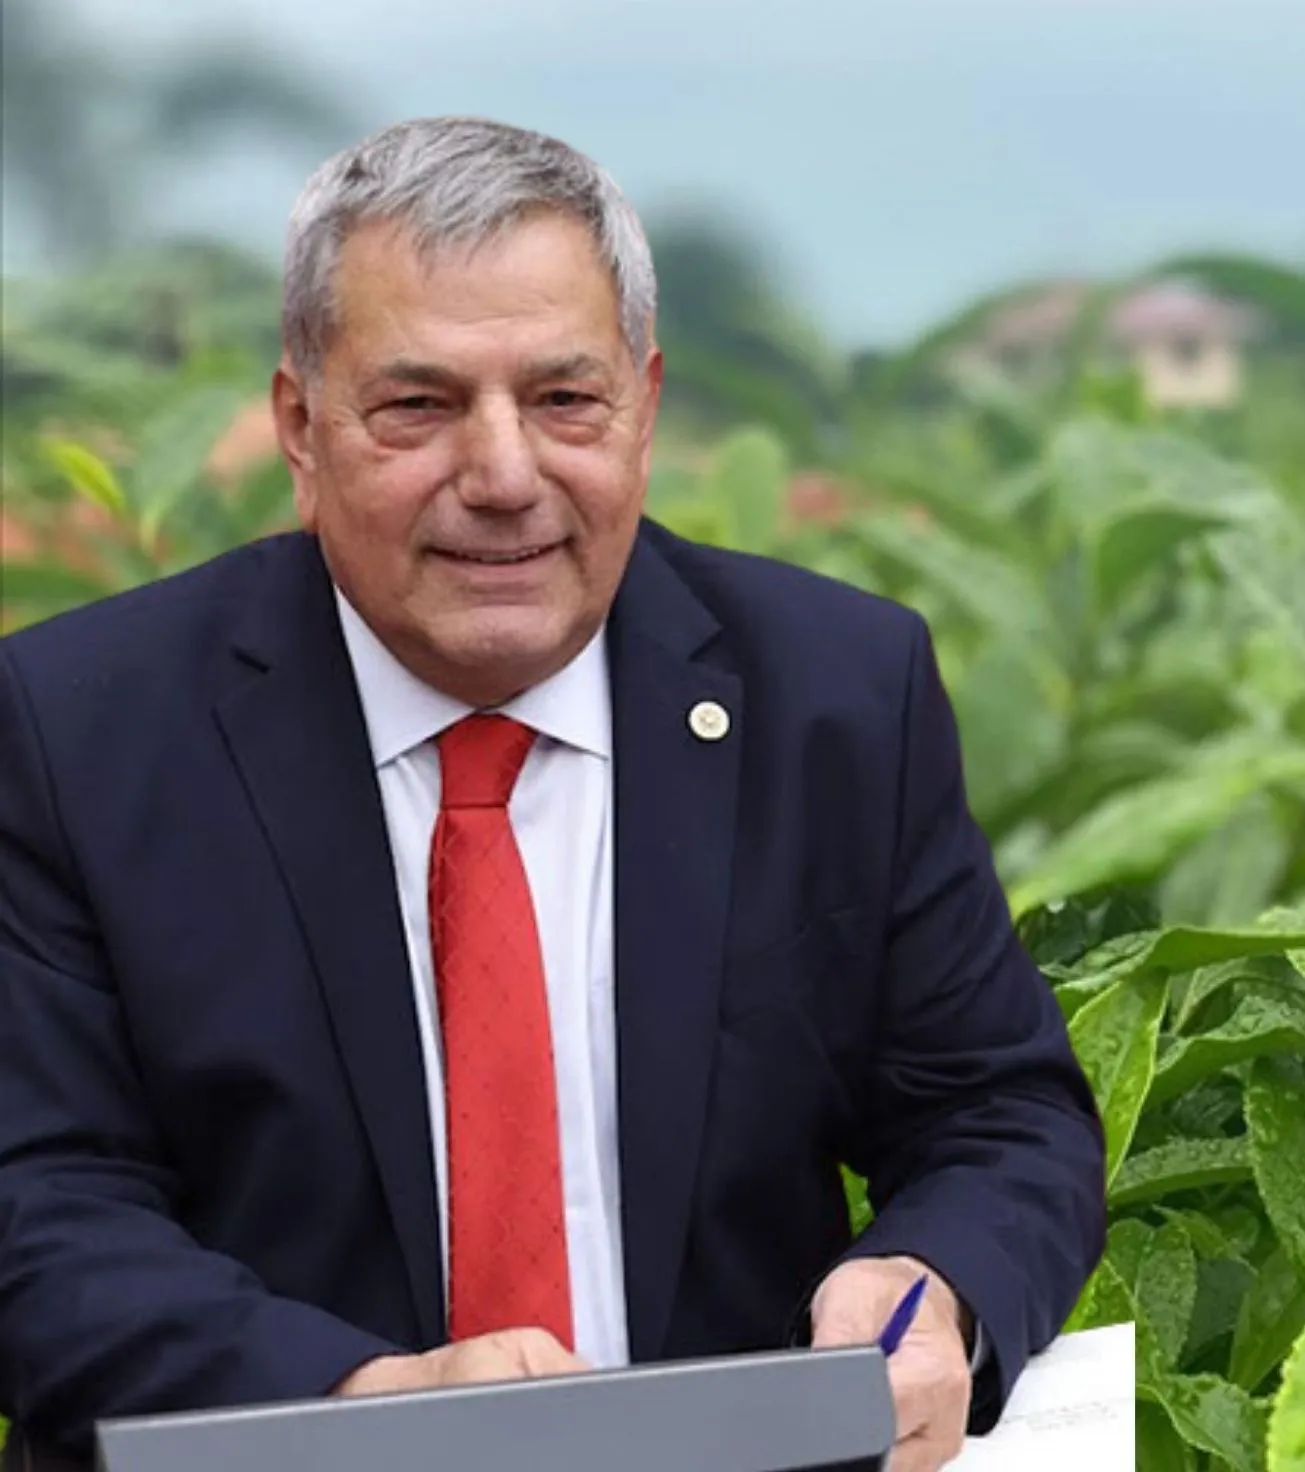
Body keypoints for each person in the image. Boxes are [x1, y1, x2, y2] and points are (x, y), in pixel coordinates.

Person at [0, 117, 1108, 1472]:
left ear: (641, 406)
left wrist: (935, 1283)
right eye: (418, 406)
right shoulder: (76, 727)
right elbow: (38, 1211)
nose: (504, 475)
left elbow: (996, 1111)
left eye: (563, 401)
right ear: (300, 425)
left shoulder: (833, 695)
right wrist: (365, 1402)